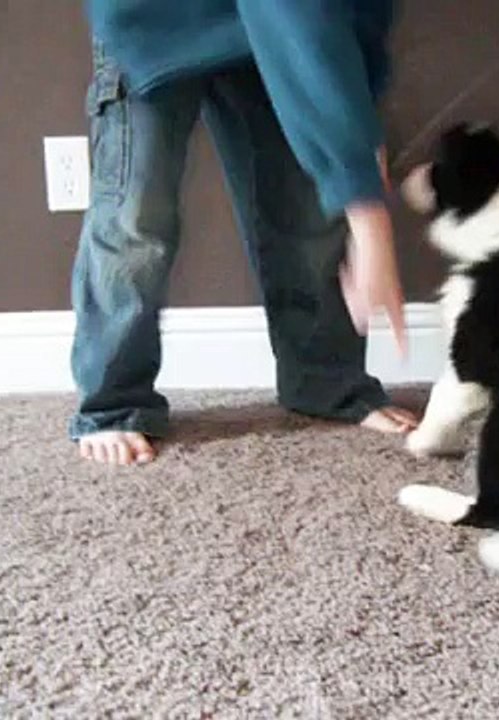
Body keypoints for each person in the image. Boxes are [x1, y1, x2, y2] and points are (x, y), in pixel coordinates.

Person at [71, 1, 417, 465]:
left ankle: (325, 382)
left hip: (272, 26)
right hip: (149, 18)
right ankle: (113, 404)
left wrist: (360, 152)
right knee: (136, 215)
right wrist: (371, 225)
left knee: (303, 208)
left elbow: (352, 29)